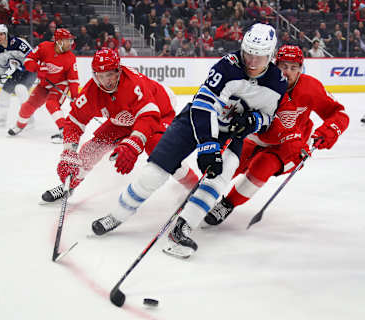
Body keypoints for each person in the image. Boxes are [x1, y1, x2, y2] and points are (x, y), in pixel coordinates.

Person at [91, 23, 288, 259]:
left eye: (260, 56)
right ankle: (118, 214)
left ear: (271, 54)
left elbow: (268, 117)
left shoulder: (278, 82)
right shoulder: (228, 66)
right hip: (194, 122)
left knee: (219, 178)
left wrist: (253, 121)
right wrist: (208, 145)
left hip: (231, 134)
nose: (253, 62)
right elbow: (203, 105)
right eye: (248, 54)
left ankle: (182, 228)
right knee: (155, 171)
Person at [203, 45, 349, 227]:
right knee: (228, 166)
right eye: (283, 67)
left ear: (301, 69)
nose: (287, 73)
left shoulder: (311, 88)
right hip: (256, 135)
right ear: (275, 65)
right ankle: (200, 198)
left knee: (261, 169)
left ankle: (227, 204)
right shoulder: (259, 81)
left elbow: (339, 114)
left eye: (293, 68)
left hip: (288, 145)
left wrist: (327, 132)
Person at [41, 49, 199, 203]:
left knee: (158, 148)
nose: (106, 80)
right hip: (125, 117)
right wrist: (68, 153)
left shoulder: (133, 84)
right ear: (94, 75)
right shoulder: (91, 92)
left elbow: (147, 116)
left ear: (119, 70)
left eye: (110, 74)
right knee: (93, 148)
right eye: (101, 76)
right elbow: (74, 123)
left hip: (159, 110)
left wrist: (133, 143)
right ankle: (69, 183)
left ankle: (193, 185)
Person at [8, 28, 79, 143]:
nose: (71, 43)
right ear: (59, 41)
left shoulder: (71, 57)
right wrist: (38, 68)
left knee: (51, 103)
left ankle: (64, 132)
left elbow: (73, 80)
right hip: (44, 84)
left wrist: (75, 96)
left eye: (71, 40)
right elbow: (28, 61)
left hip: (61, 84)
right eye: (68, 40)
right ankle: (19, 126)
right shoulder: (44, 47)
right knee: (27, 106)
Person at [0, 24, 36, 127]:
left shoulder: (18, 43)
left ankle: (28, 116)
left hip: (31, 69)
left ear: (6, 34)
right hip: (19, 70)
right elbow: (2, 66)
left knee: (20, 89)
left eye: (1, 34)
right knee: (5, 91)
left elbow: (33, 56)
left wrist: (29, 66)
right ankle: (2, 117)